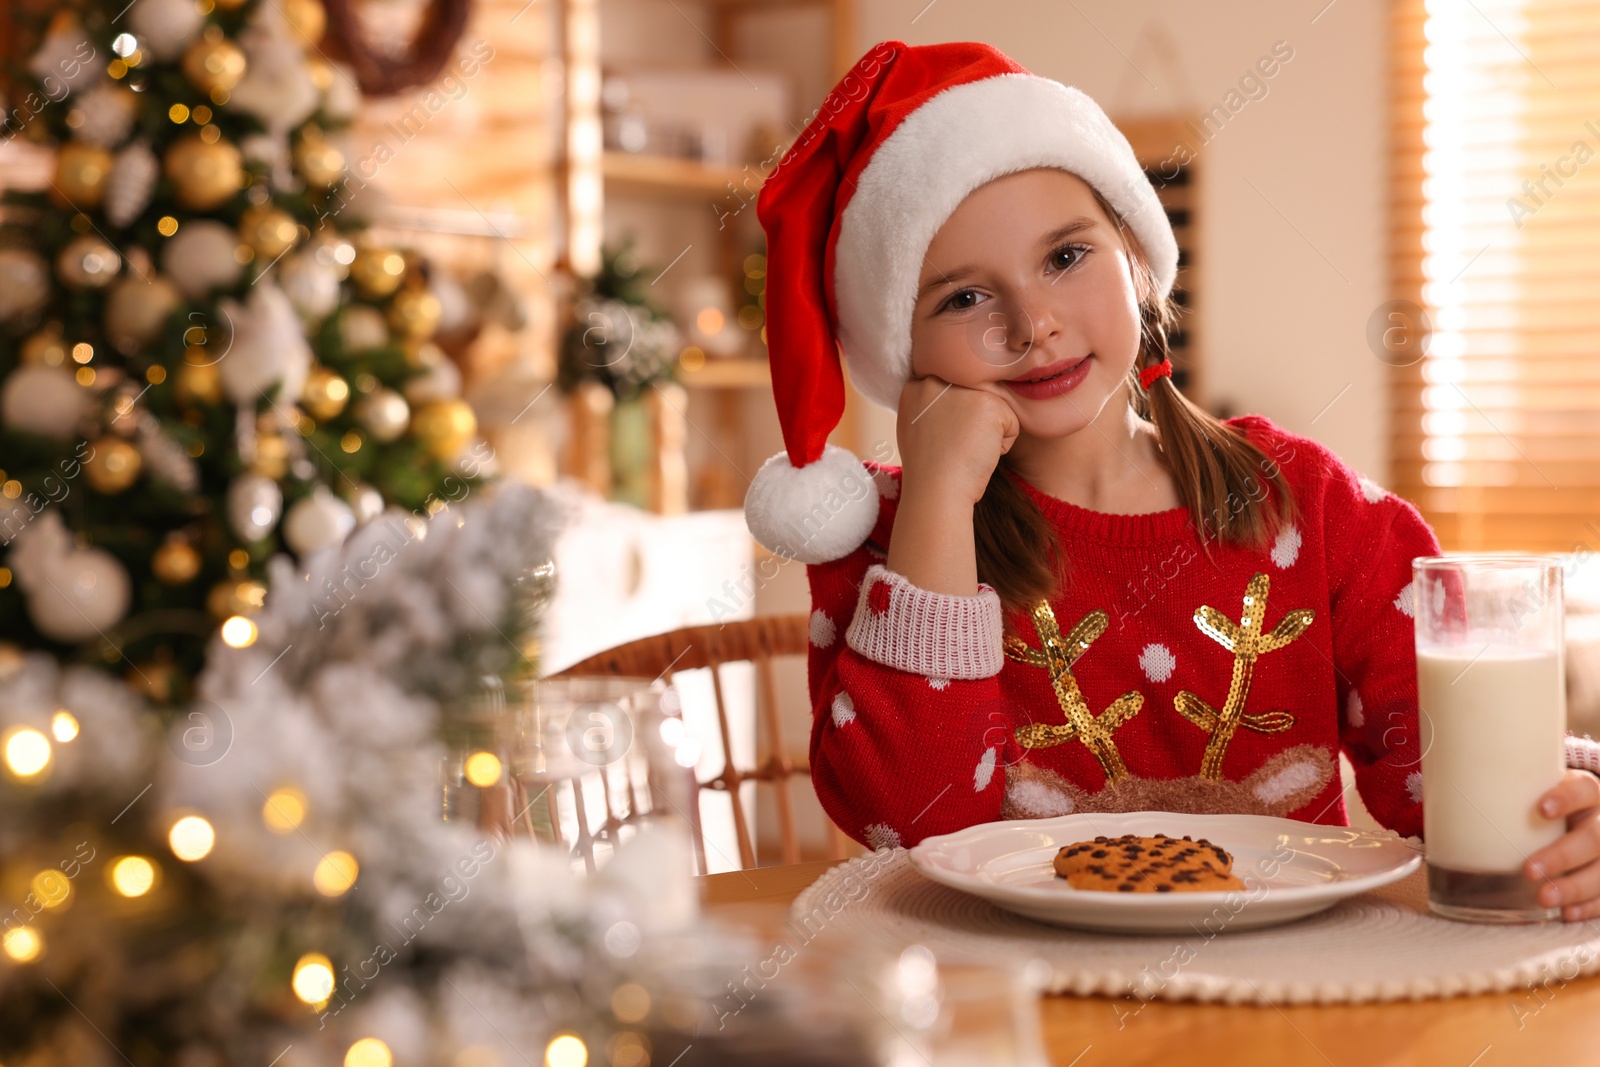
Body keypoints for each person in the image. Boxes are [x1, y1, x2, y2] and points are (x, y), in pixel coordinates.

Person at [742, 39, 1600, 920]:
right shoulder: (892, 545)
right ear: (903, 352)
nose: (1032, 324)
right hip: (1021, 1013)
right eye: (963, 298)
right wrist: (935, 500)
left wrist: (1573, 808)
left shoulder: (1309, 504)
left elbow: (1452, 781)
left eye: (1066, 257)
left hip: (1297, 1010)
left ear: (1139, 264)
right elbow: (915, 824)